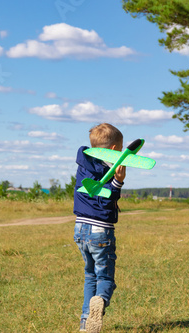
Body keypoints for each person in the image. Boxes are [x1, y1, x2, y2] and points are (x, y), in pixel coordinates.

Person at [73, 123, 126, 333]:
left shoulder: (83, 166)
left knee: (89, 276)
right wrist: (118, 182)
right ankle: (100, 302)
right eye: (120, 151)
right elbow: (104, 199)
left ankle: (86, 323)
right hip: (100, 230)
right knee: (104, 277)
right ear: (114, 150)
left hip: (80, 229)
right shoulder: (106, 169)